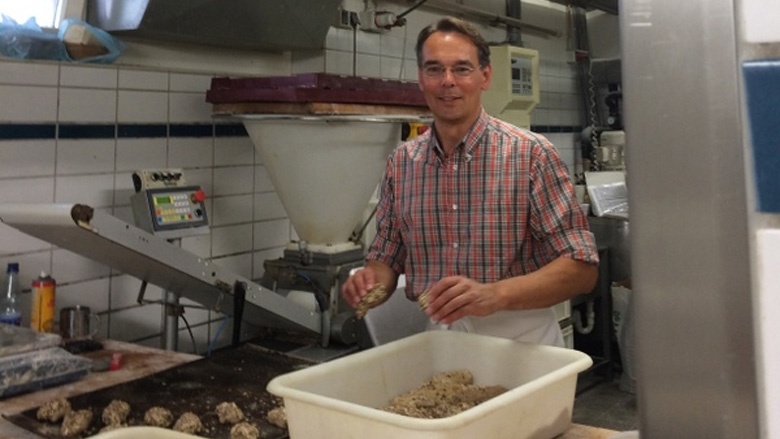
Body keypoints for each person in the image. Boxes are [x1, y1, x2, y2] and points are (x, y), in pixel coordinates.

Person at [341, 16, 599, 347]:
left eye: (461, 68)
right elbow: (387, 260)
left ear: (485, 76)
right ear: (421, 78)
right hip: (442, 339)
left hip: (522, 341)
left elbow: (582, 268)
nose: (447, 81)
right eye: (434, 69)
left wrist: (495, 294)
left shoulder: (530, 155)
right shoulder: (402, 164)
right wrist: (369, 282)